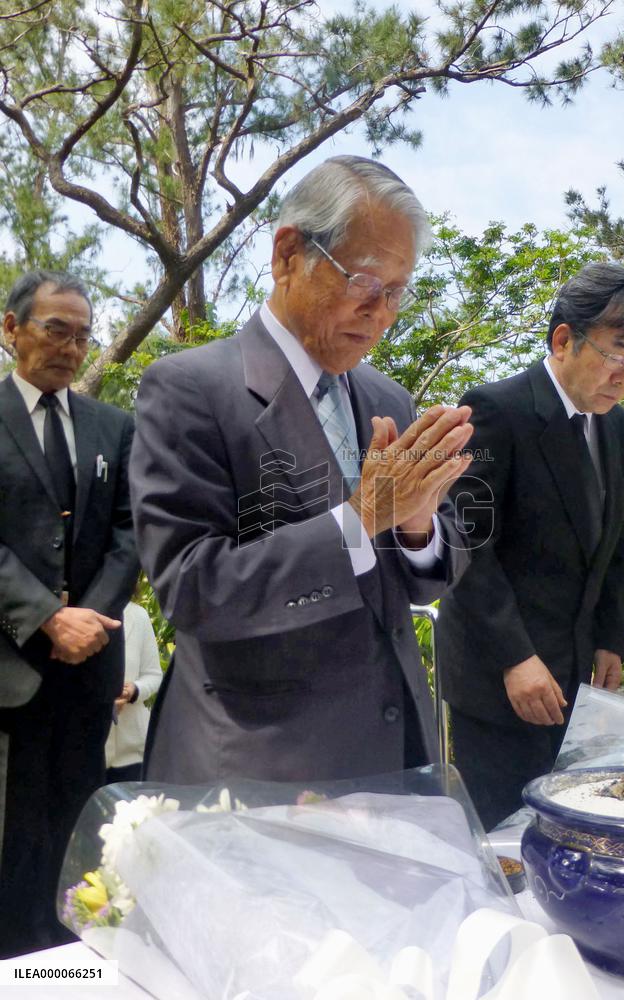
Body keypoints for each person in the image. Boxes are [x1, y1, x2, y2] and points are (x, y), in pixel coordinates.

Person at [130, 155, 472, 785]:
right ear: (288, 254)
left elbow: (420, 585)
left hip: (391, 756)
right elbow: (190, 588)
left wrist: (419, 526)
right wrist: (364, 516)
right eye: (365, 282)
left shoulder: (388, 399)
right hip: (262, 765)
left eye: (398, 291)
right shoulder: (189, 389)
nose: (382, 312)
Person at [436, 262, 624, 830]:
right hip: (498, 680)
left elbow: (619, 538)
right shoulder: (497, 409)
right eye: (618, 353)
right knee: (507, 840)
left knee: (573, 827)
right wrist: (516, 659)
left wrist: (613, 637)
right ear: (563, 338)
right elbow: (467, 543)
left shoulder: (617, 426)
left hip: (576, 676)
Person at [0, 270, 139, 956]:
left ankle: (71, 962)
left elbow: (130, 532)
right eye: (57, 329)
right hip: (10, 664)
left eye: (83, 335)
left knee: (77, 827)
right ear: (11, 329)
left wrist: (88, 618)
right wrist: (45, 617)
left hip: (89, 670)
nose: (72, 347)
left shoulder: (114, 427)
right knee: (11, 830)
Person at [105, 593, 163, 783]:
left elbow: (154, 675)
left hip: (131, 749)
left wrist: (133, 691)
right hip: (88, 748)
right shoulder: (77, 616)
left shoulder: (138, 616)